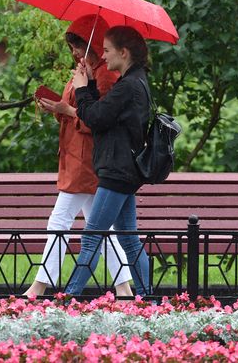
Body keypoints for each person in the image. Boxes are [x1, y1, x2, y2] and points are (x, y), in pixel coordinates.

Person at [23, 15, 134, 298]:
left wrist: (70, 106)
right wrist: (59, 108)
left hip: (86, 161)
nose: (74, 51)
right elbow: (78, 111)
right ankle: (123, 289)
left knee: (59, 222)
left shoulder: (105, 75)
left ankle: (39, 287)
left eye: (78, 44)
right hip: (76, 156)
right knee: (102, 228)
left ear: (93, 44)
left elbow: (99, 121)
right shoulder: (86, 70)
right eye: (72, 45)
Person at [64, 25, 153, 298]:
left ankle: (69, 298)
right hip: (125, 171)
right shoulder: (136, 81)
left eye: (107, 50)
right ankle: (147, 298)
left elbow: (95, 118)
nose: (103, 55)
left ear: (123, 53)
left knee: (92, 236)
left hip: (116, 171)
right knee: (128, 239)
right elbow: (102, 115)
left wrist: (81, 89)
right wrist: (89, 84)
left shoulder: (127, 86)